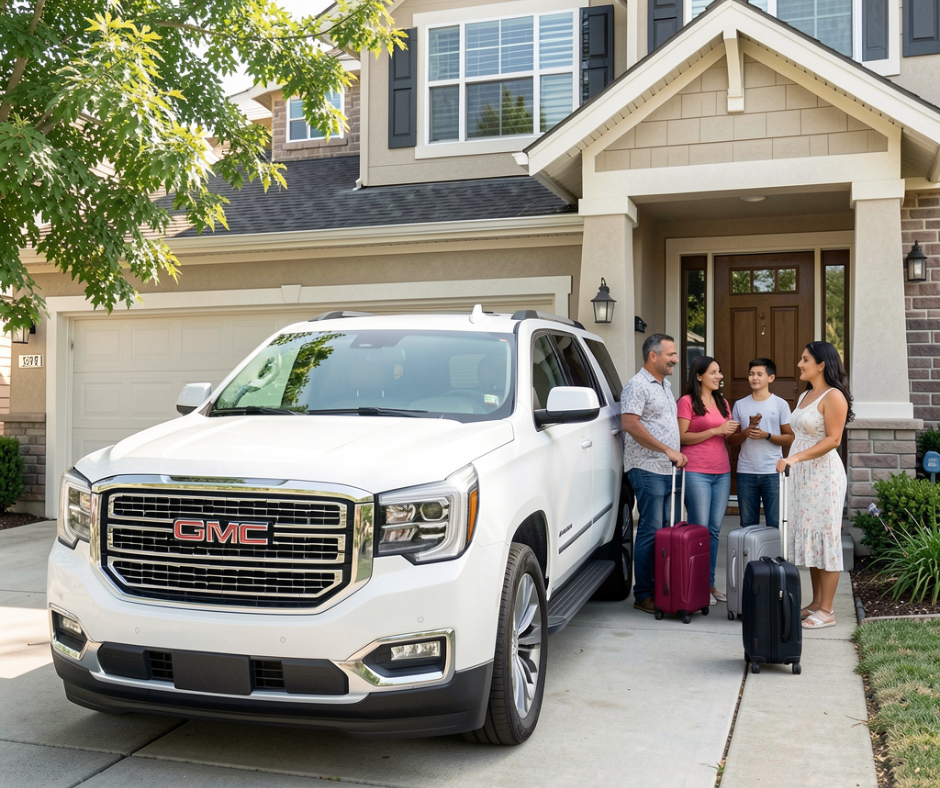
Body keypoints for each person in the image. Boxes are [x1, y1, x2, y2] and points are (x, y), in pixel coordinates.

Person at [776, 341, 853, 630]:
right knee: (811, 537)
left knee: (825, 537)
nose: (799, 363)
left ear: (821, 364)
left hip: (824, 476)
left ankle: (828, 611)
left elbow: (833, 439)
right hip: (803, 476)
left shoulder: (835, 396)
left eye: (805, 359)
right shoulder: (806, 395)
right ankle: (816, 603)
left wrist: (794, 457)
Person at [622, 334, 687, 614]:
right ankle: (644, 594)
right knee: (650, 530)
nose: (675, 358)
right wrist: (666, 450)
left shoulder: (664, 385)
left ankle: (662, 589)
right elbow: (629, 424)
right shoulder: (637, 385)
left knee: (663, 530)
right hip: (647, 468)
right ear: (653, 356)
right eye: (670, 354)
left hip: (667, 469)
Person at [676, 356, 738, 605]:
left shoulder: (722, 402)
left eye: (719, 371)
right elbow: (682, 436)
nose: (719, 376)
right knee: (699, 529)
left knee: (713, 531)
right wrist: (715, 431)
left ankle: (710, 585)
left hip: (721, 472)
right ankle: (696, 585)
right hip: (696, 471)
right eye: (714, 372)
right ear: (699, 376)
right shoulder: (686, 401)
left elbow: (728, 437)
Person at [727, 358, 795, 528]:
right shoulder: (740, 405)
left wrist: (767, 435)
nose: (754, 378)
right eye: (751, 374)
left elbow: (790, 438)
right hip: (745, 472)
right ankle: (751, 556)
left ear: (770, 378)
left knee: (775, 523)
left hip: (772, 471)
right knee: (748, 524)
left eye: (759, 374)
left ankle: (774, 555)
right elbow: (731, 440)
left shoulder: (780, 404)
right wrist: (745, 433)